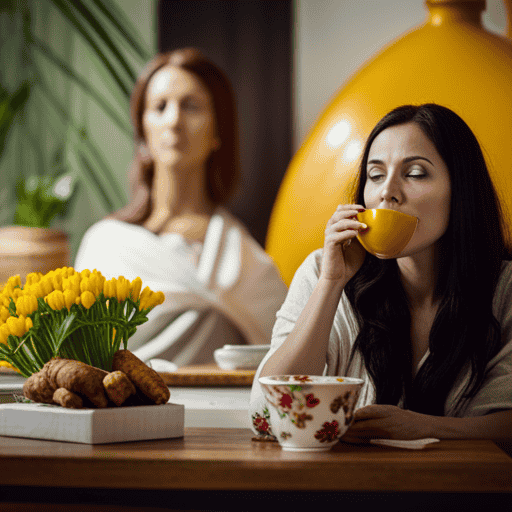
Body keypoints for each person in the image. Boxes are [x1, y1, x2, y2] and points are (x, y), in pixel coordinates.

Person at [249, 103, 512, 442]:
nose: (387, 191)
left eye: (415, 173)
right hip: (344, 490)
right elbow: (265, 414)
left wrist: (423, 427)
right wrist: (331, 284)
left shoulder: (504, 289)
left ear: (461, 190)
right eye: (375, 175)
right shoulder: (324, 271)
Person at [75, 48, 287, 367]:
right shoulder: (105, 245)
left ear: (218, 131)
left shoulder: (244, 257)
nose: (174, 121)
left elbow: (288, 350)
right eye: (159, 107)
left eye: (191, 106)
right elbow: (79, 354)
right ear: (143, 131)